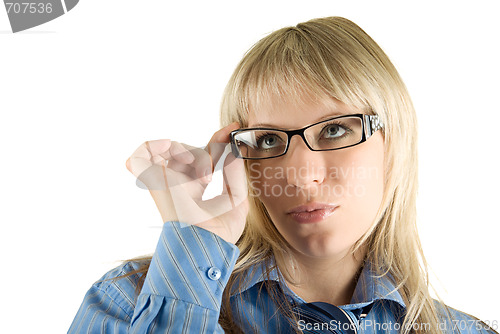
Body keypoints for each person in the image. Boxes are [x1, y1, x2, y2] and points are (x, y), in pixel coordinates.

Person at [68, 16, 497, 333]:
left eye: (334, 130)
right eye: (269, 141)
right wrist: (194, 243)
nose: (302, 178)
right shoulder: (131, 304)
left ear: (393, 139)